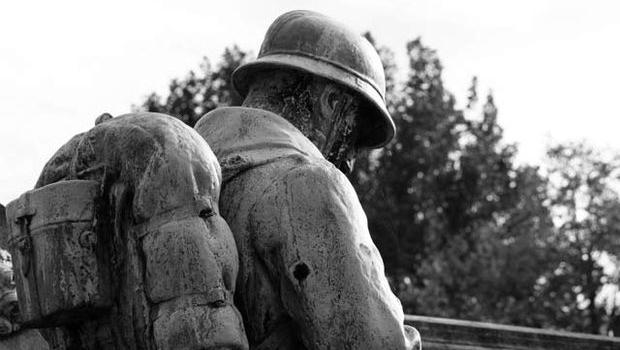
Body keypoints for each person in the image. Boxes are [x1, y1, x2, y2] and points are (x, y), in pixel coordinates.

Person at [195, 10, 421, 350]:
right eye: (354, 134)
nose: (350, 159)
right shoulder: (308, 183)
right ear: (330, 103)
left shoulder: (191, 175)